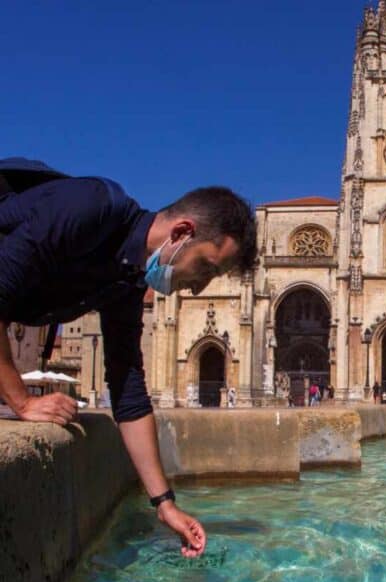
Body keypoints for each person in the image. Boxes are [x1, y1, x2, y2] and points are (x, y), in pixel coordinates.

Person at [0, 159, 256, 558]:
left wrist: (165, 504)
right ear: (182, 231)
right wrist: (23, 401)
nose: (197, 288)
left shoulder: (124, 281)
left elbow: (128, 388)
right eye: (205, 266)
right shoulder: (93, 207)